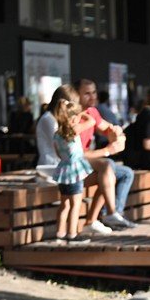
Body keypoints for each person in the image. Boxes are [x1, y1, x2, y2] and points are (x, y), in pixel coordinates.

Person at [75, 79, 136, 232]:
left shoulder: (92, 112)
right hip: (69, 165)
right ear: (77, 95)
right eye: (87, 93)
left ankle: (94, 220)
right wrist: (109, 150)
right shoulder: (73, 115)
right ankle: (111, 213)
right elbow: (76, 154)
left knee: (122, 172)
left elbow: (108, 129)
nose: (92, 96)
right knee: (107, 166)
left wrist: (117, 134)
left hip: (85, 162)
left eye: (94, 92)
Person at [51, 98, 95, 244]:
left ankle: (60, 232)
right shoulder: (74, 130)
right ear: (73, 118)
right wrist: (83, 113)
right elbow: (92, 121)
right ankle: (72, 233)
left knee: (64, 204)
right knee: (76, 204)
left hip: (63, 171)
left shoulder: (57, 134)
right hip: (75, 171)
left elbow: (58, 153)